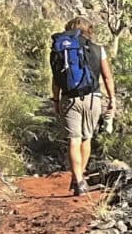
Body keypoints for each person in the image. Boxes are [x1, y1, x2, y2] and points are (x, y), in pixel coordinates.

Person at [48, 15, 119, 195]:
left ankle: (78, 180)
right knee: (87, 138)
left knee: (74, 139)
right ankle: (78, 178)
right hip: (93, 98)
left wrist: (56, 101)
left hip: (69, 98)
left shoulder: (60, 49)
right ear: (90, 31)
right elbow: (107, 76)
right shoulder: (97, 49)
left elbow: (56, 80)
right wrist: (112, 99)